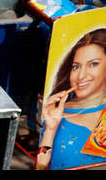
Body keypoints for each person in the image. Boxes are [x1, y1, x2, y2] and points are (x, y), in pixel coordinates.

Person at [36, 28, 106, 169]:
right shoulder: (58, 113)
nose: (81, 76)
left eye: (93, 64)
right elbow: (40, 167)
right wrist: (50, 129)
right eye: (76, 67)